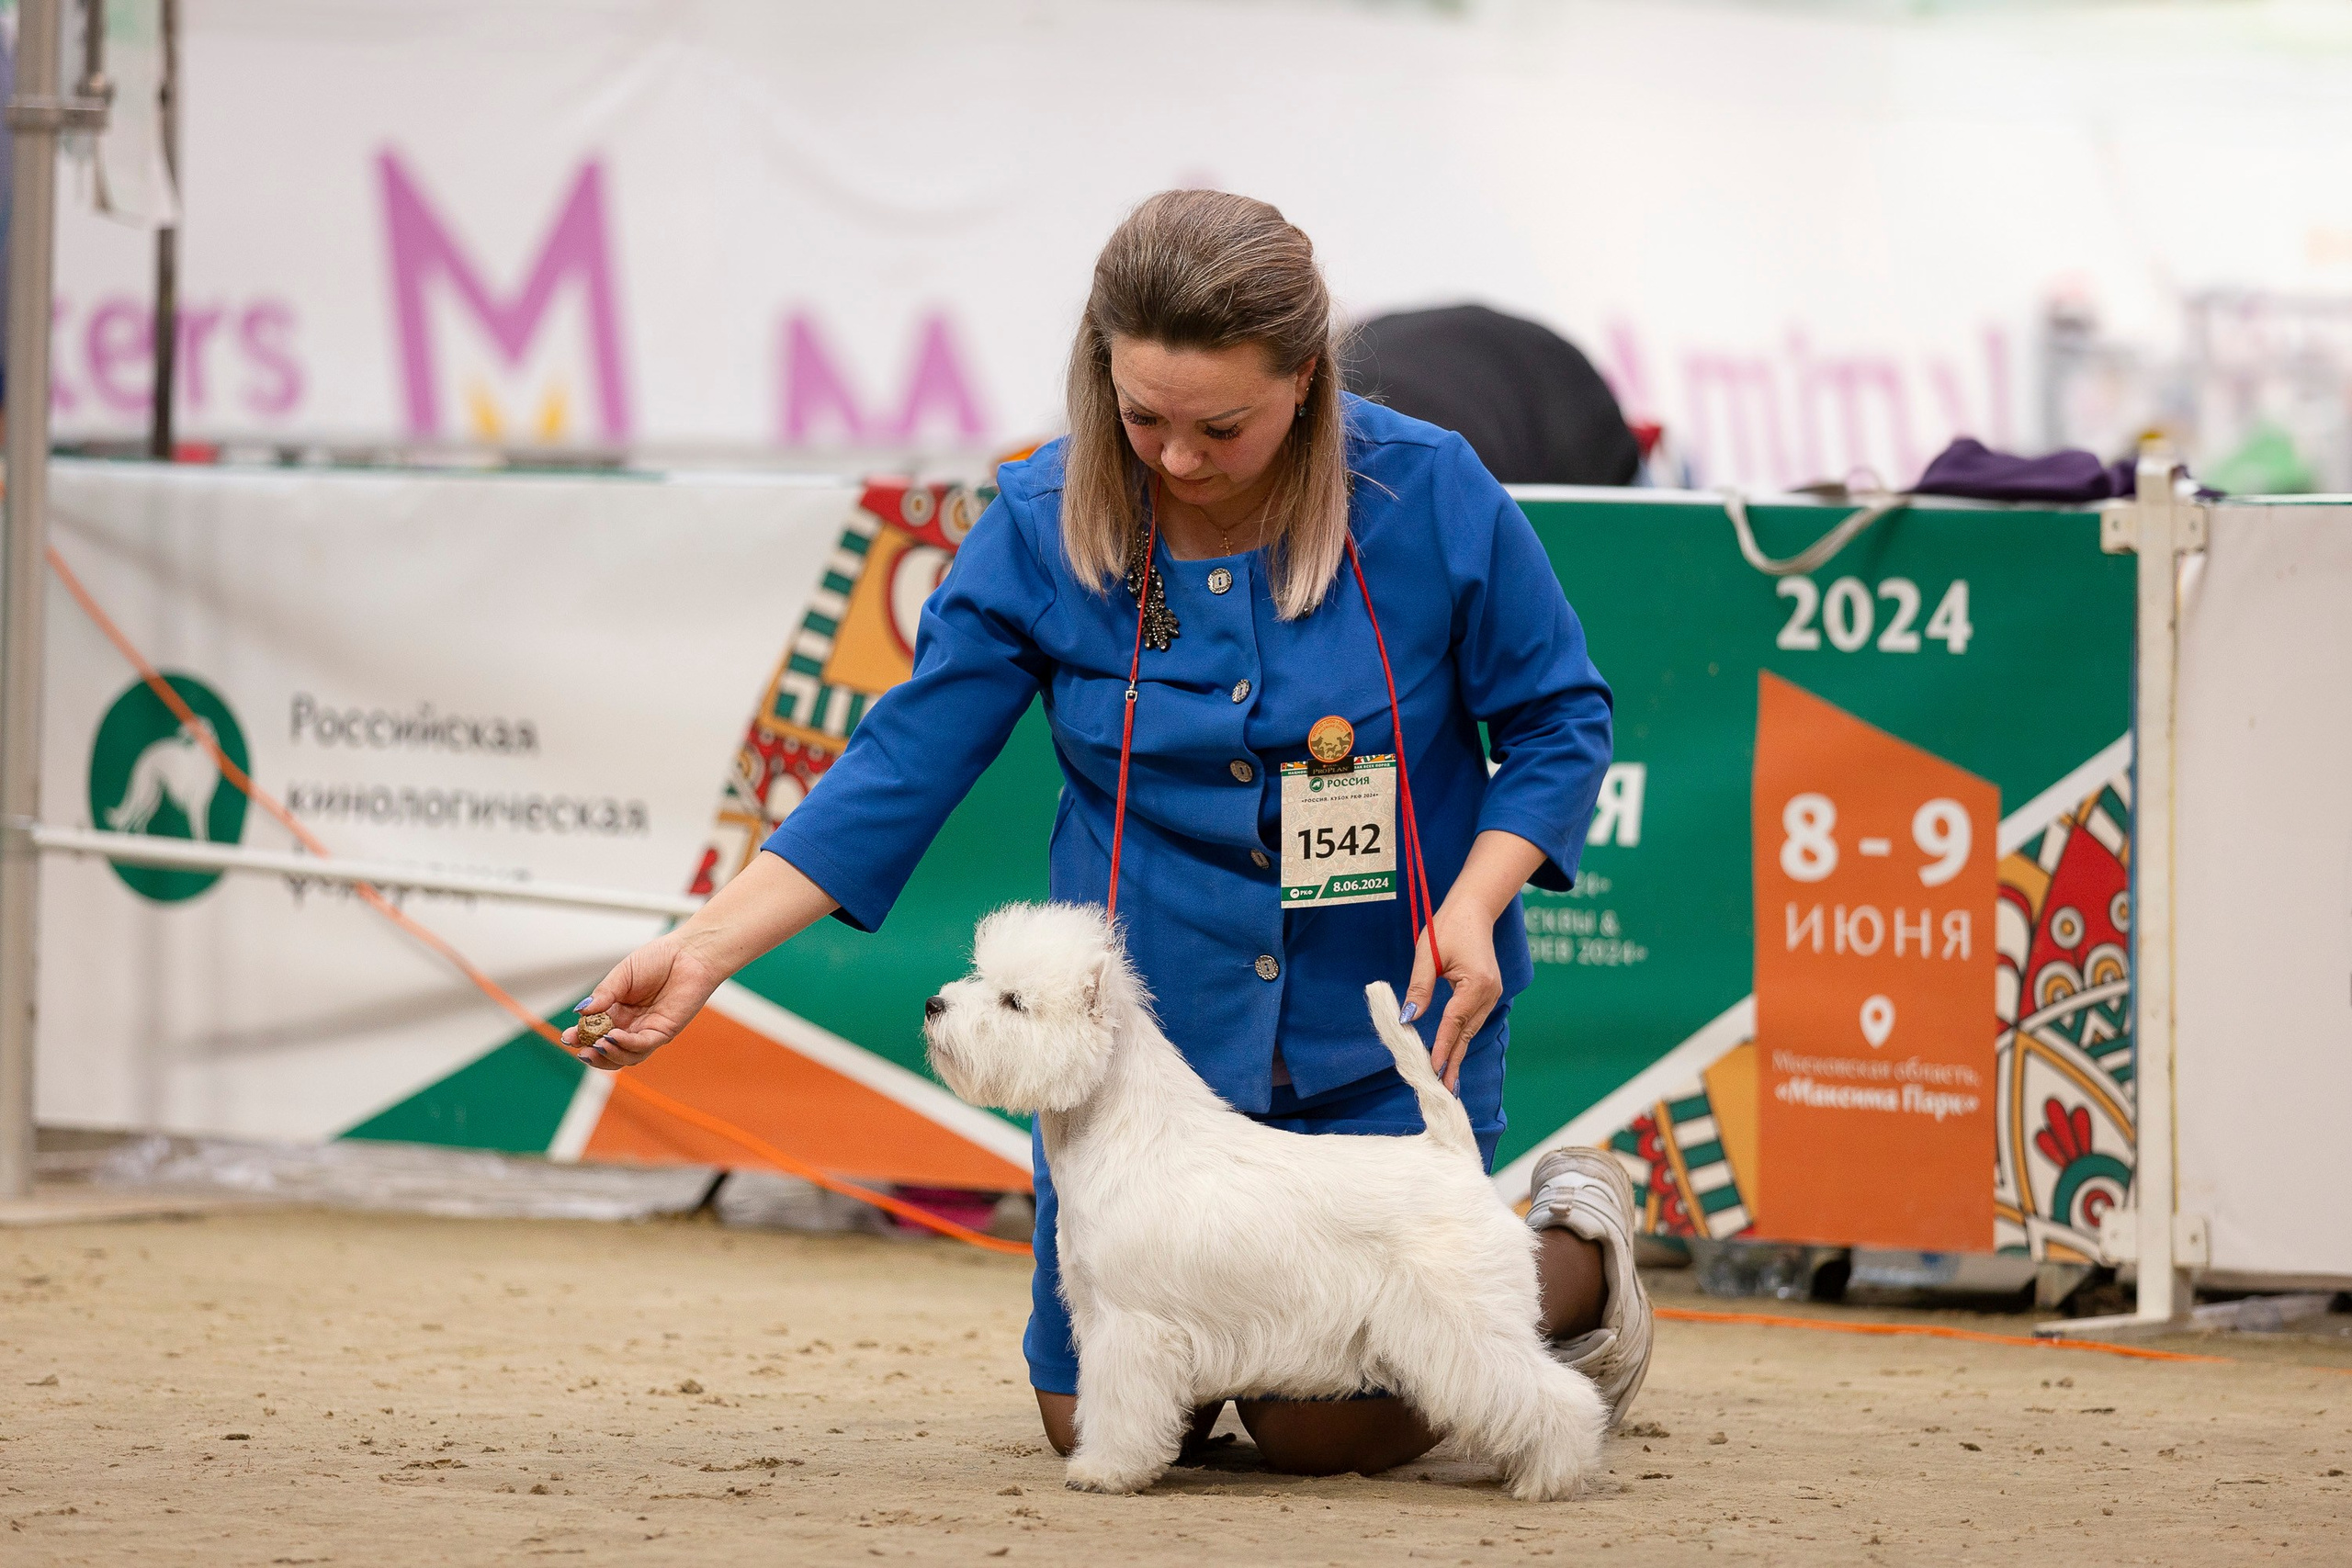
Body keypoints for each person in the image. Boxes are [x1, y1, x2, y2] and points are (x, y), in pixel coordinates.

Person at [569, 190, 1655, 1476]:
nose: (1177, 460)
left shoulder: (1431, 494)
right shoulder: (1040, 517)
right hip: (1149, 1053)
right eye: (1142, 418)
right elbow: (901, 764)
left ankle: (1576, 1249)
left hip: (1375, 1023)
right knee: (1098, 1418)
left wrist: (1475, 900)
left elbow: (1558, 720)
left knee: (1338, 1430)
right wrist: (700, 951)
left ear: (1305, 384)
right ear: (1100, 376)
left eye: (1222, 427)